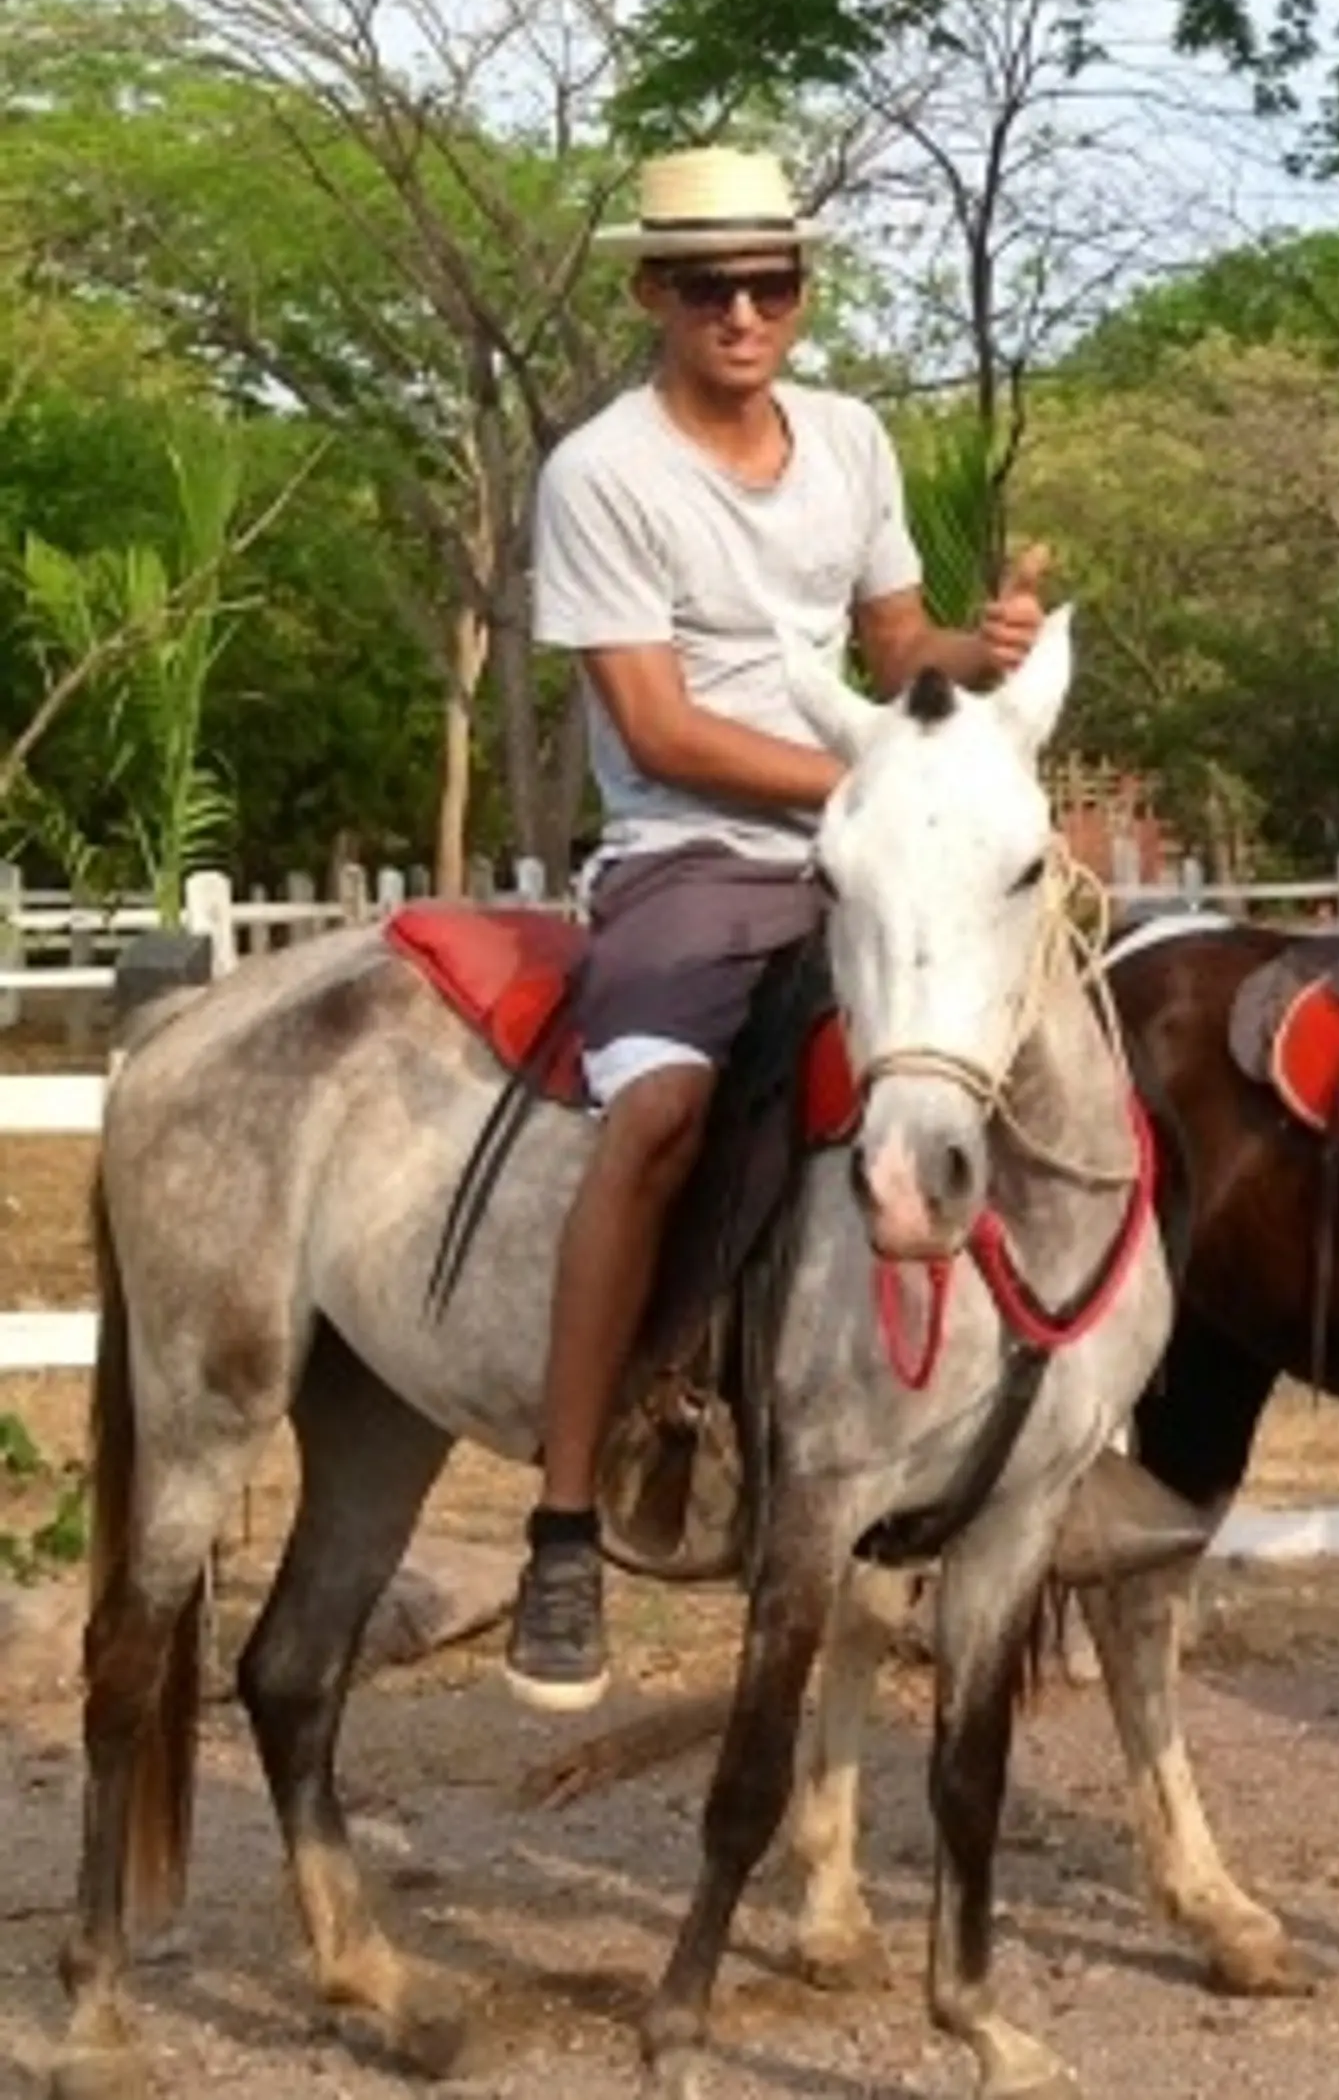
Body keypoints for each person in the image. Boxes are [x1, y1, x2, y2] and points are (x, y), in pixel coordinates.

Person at [511, 144, 1098, 1711]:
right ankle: (570, 1514)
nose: (744, 309)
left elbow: (901, 645)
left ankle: (1054, 1417)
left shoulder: (847, 440)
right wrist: (876, 771)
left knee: (1043, 1051)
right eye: (708, 285)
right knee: (660, 1110)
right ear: (652, 292)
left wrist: (985, 651)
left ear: (802, 294)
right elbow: (658, 719)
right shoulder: (603, 471)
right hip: (690, 849)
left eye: (771, 283)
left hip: (872, 831)